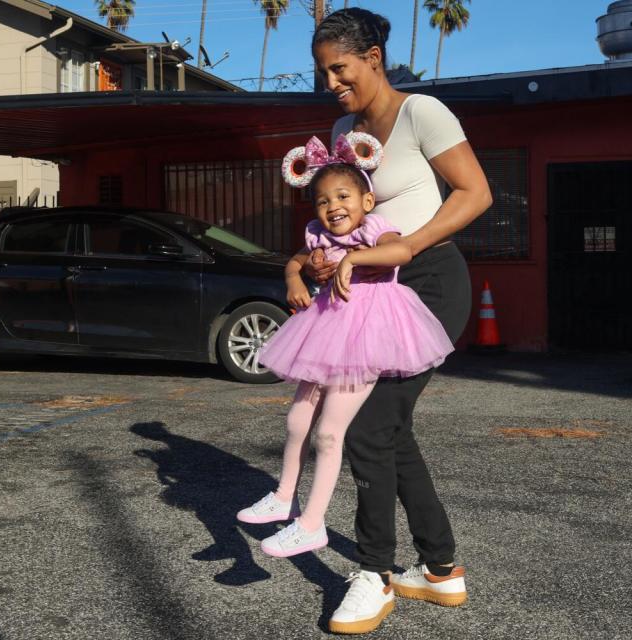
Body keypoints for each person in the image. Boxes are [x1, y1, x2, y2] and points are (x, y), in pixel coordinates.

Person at [309, 7, 493, 635]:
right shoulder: (342, 128)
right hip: (369, 288)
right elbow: (346, 205)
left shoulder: (422, 113)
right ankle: (440, 568)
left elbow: (476, 193)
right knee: (393, 431)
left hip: (430, 279)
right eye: (323, 72)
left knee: (367, 427)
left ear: (374, 58)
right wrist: (323, 257)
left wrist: (410, 244)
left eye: (340, 69)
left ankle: (374, 573)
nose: (332, 82)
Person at [237, 135, 454, 567]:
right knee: (297, 417)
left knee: (330, 432)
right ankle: (284, 497)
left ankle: (313, 522)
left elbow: (402, 251)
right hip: (326, 326)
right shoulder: (317, 233)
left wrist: (354, 260)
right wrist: (294, 279)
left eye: (343, 196)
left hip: (369, 329)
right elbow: (296, 260)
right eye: (321, 201)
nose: (333, 206)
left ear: (367, 200)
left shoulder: (374, 227)